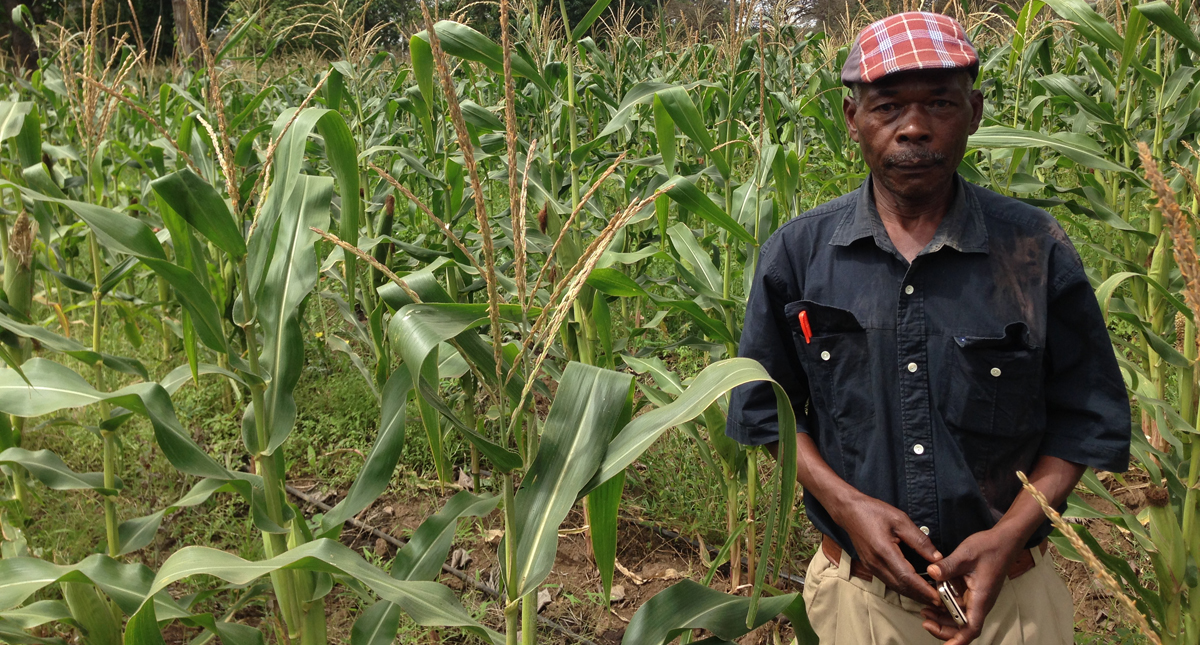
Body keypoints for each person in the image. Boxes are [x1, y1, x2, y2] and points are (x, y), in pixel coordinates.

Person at [726, 12, 1131, 645]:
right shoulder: (798, 256)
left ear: (972, 112)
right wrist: (844, 504)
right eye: (887, 107)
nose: (914, 128)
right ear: (851, 118)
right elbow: (764, 411)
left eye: (939, 103)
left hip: (1013, 605)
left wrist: (1007, 535)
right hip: (857, 602)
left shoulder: (1033, 249)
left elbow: (1085, 417)